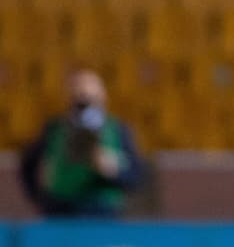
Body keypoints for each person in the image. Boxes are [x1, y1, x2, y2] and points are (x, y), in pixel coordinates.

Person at [19, 68, 144, 217]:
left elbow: (136, 175)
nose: (84, 101)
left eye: (90, 96)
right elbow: (28, 166)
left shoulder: (117, 130)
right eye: (78, 95)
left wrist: (114, 172)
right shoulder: (54, 129)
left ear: (103, 95)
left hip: (103, 213)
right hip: (59, 210)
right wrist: (39, 192)